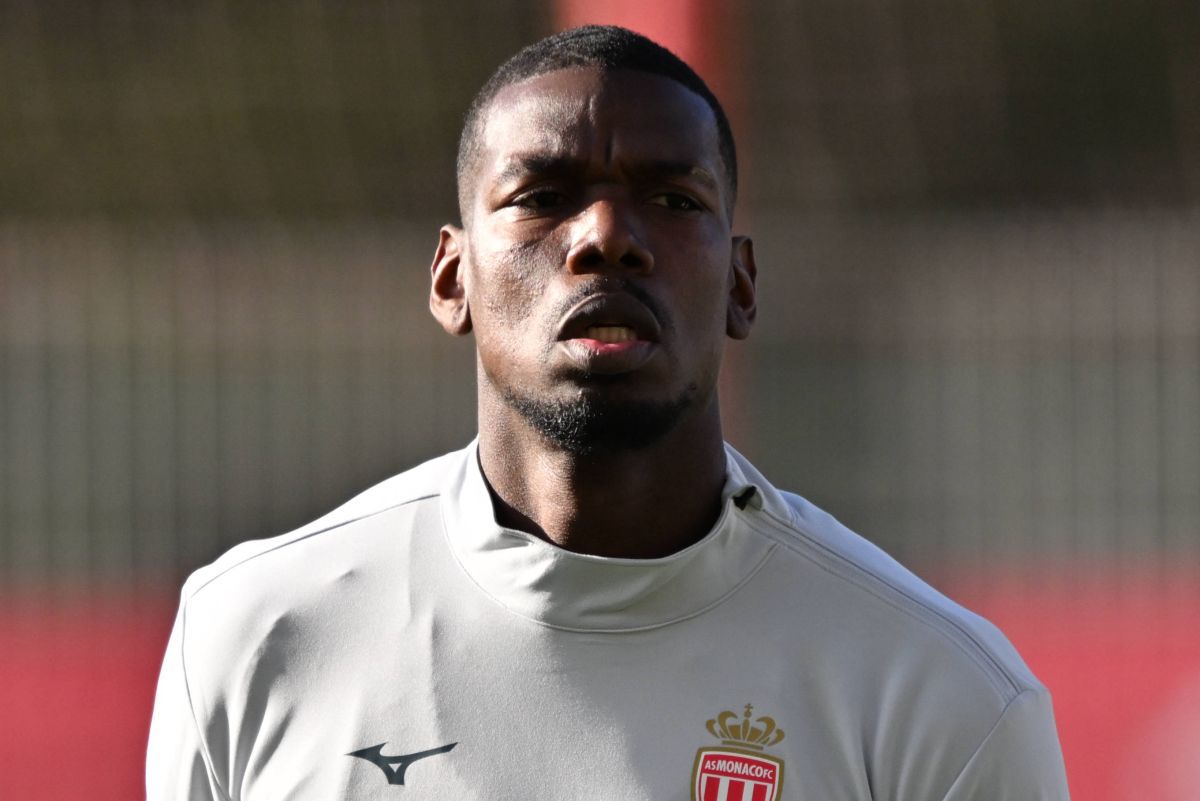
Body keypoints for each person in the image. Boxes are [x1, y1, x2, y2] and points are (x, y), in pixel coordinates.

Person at [147, 25, 1070, 800]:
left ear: (741, 284)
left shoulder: (944, 695)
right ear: (452, 277)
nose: (607, 237)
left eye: (671, 199)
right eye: (542, 198)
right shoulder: (254, 632)